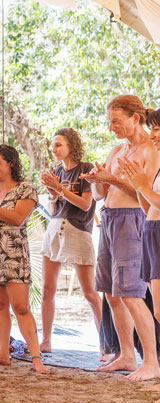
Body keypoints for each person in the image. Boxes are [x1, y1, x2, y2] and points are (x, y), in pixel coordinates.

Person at [80, 95, 160, 381]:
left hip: (134, 220)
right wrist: (99, 178)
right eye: (110, 122)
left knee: (131, 293)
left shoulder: (151, 150)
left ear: (135, 118)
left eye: (116, 121)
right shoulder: (116, 151)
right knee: (112, 293)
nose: (112, 127)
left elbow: (145, 191)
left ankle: (151, 361)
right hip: (109, 219)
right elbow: (102, 194)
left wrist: (113, 179)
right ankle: (126, 355)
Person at [0, 144, 50, 374]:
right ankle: (3, 353)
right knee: (0, 305)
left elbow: (17, 218)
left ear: (11, 164)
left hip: (13, 252)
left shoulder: (25, 189)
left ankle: (37, 358)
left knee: (21, 307)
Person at [38, 128, 103, 355]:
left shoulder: (86, 170)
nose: (54, 150)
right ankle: (45, 340)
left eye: (58, 145)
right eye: (53, 146)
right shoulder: (57, 172)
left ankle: (106, 342)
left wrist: (59, 189)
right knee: (47, 290)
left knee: (90, 293)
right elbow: (54, 207)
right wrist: (51, 191)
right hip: (55, 229)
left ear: (71, 146)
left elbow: (86, 205)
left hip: (78, 230)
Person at [123, 107, 160, 398]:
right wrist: (139, 188)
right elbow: (150, 206)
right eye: (152, 129)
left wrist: (143, 186)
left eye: (158, 129)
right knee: (158, 309)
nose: (153, 135)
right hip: (152, 230)